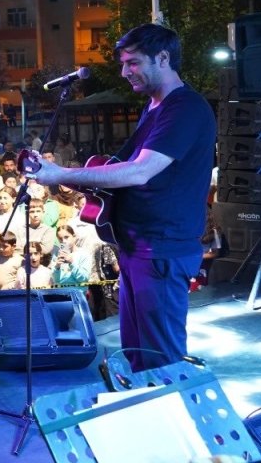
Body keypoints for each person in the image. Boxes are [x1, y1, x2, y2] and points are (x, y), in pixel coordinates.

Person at [33, 24, 216, 371]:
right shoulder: (154, 106)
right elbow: (121, 169)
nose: (124, 72)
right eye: (122, 63)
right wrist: (74, 178)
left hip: (162, 247)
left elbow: (139, 171)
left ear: (162, 58)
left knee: (161, 359)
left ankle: (170, 417)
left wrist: (61, 174)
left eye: (132, 62)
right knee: (138, 352)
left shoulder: (185, 108)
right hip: (137, 246)